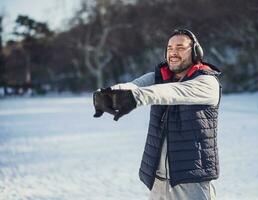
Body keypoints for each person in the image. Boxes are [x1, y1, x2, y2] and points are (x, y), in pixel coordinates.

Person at [93, 29, 221, 200]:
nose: (173, 53)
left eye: (180, 47)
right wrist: (108, 94)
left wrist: (135, 98)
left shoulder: (206, 81)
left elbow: (171, 92)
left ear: (195, 52)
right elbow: (134, 86)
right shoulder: (159, 77)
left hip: (191, 183)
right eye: (169, 48)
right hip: (158, 183)